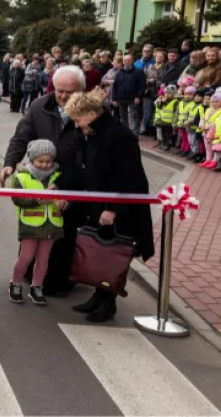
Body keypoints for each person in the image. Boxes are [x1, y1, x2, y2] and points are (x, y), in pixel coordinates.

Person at [61, 88, 154, 322]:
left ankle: (108, 301)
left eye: (77, 119)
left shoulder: (119, 135)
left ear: (91, 114)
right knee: (99, 249)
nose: (76, 124)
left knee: (112, 251)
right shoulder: (89, 133)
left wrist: (112, 208)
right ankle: (98, 295)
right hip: (96, 201)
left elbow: (126, 175)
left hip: (118, 205)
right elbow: (80, 166)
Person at [0, 65, 86, 296]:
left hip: (71, 181)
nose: (64, 96)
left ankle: (58, 281)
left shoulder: (88, 109)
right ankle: (29, 275)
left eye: (70, 91)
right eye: (60, 90)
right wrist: (10, 163)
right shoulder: (40, 106)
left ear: (81, 89)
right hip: (40, 179)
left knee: (63, 233)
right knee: (35, 226)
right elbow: (21, 136)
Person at [9, 139, 65, 306]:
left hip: (51, 224)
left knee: (43, 259)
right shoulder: (22, 177)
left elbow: (66, 195)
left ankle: (37, 286)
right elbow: (18, 199)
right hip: (30, 224)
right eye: (40, 161)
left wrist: (64, 203)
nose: (44, 165)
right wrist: (37, 201)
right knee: (25, 257)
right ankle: (16, 283)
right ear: (32, 159)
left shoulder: (58, 177)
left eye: (48, 161)